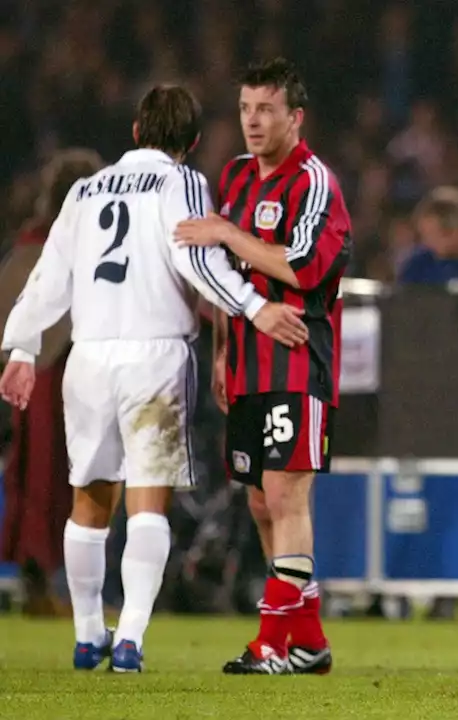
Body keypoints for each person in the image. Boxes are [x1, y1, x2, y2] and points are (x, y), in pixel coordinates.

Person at [0, 84, 307, 673]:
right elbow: (199, 259)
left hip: (87, 358)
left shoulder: (85, 190)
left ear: (136, 133)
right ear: (190, 143)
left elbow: (50, 274)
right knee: (147, 502)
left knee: (88, 501)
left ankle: (88, 633)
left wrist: (21, 346)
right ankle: (132, 638)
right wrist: (255, 308)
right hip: (155, 356)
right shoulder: (181, 182)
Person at [173, 58, 352, 676]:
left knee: (286, 493)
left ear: (294, 117)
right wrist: (223, 348)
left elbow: (301, 267)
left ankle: (272, 644)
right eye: (246, 108)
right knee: (258, 502)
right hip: (247, 361)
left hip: (299, 357)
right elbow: (227, 275)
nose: (252, 120)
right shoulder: (237, 177)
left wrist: (224, 229)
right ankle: (309, 642)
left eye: (266, 109)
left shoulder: (314, 182)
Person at [0, 148, 102, 618]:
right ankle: (37, 580)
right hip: (44, 378)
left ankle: (43, 581)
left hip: (46, 375)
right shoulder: (45, 246)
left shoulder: (33, 244)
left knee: (46, 478)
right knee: (42, 478)